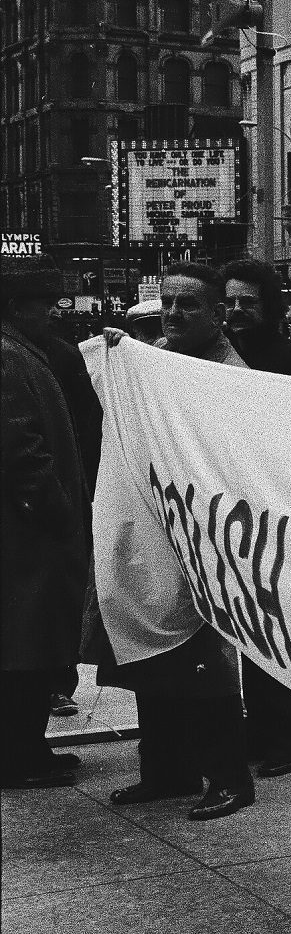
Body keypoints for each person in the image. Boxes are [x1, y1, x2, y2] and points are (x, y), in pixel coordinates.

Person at [91, 263, 257, 820]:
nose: (175, 313)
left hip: (203, 538)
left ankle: (229, 779)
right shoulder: (158, 353)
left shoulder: (228, 374)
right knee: (156, 663)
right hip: (163, 529)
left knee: (205, 666)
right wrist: (121, 354)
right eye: (169, 302)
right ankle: (166, 770)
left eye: (189, 305)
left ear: (217, 314)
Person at [221, 258, 291, 775]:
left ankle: (285, 741)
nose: (238, 311)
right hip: (231, 508)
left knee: (272, 628)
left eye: (248, 302)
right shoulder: (213, 357)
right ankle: (257, 732)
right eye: (231, 302)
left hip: (277, 510)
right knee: (243, 624)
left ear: (269, 306)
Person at [1, 262, 101, 721]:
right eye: (43, 305)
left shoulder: (26, 352)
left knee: (31, 639)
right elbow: (22, 447)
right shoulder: (9, 358)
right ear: (15, 308)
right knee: (27, 642)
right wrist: (59, 512)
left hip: (31, 527)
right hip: (29, 531)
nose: (52, 314)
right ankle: (23, 755)